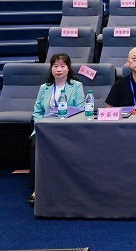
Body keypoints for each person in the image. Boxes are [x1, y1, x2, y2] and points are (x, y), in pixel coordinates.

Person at [29, 52, 85, 203]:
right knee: (35, 145)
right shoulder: (44, 88)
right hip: (46, 129)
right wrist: (42, 124)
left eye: (62, 66)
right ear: (51, 68)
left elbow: (80, 109)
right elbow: (37, 112)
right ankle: (38, 188)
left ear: (68, 68)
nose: (58, 69)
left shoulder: (76, 86)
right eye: (55, 66)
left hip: (69, 129)